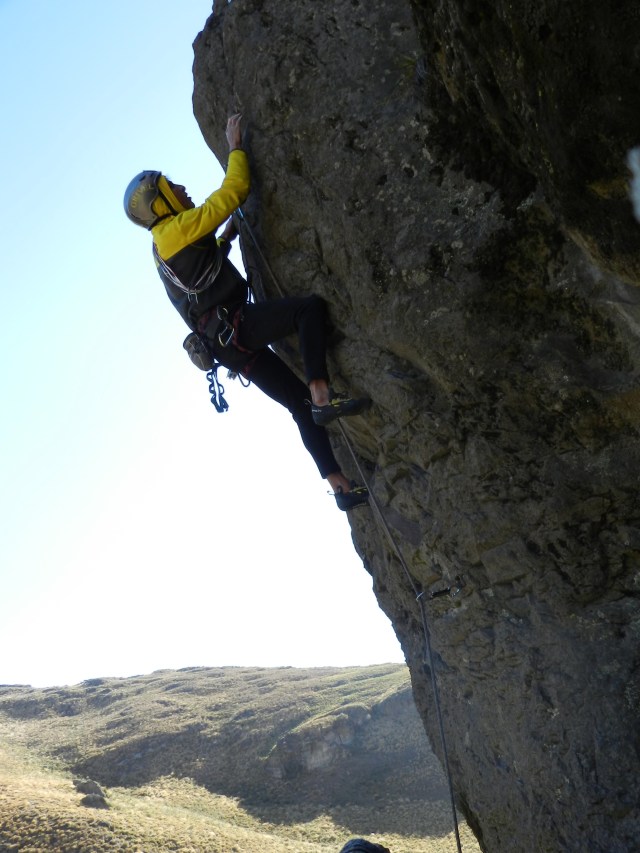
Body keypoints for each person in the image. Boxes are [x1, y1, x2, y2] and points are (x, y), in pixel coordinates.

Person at [123, 113, 370, 510]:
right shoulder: (175, 230)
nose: (181, 187)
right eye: (172, 187)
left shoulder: (163, 247)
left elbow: (198, 281)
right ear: (160, 202)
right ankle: (323, 395)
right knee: (308, 311)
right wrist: (235, 146)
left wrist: (224, 240)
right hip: (236, 327)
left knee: (296, 404)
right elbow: (235, 189)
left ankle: (340, 486)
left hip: (227, 344)